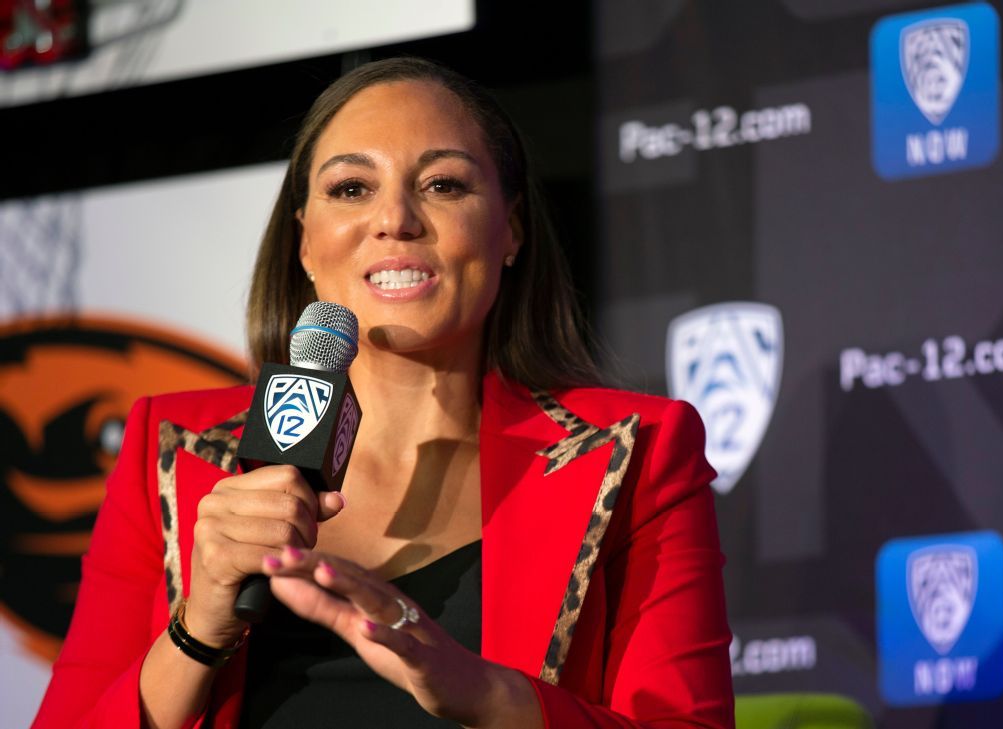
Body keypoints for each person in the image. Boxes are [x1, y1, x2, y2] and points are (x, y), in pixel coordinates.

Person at [34, 57, 734, 728]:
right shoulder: (173, 448)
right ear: (305, 242)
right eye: (350, 188)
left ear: (511, 230)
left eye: (444, 185)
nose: (395, 218)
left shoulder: (636, 450)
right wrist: (196, 629)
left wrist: (486, 695)